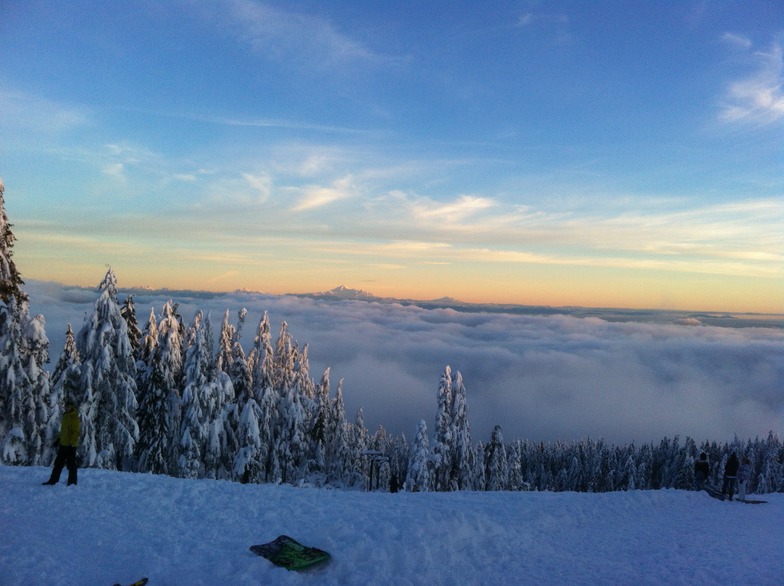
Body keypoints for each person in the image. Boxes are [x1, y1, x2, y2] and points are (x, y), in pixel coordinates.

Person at [42, 399, 81, 486]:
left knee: (71, 465)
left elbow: (76, 432)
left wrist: (71, 443)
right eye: (65, 406)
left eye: (67, 406)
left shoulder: (74, 417)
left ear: (71, 407)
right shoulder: (66, 416)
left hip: (71, 446)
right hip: (63, 445)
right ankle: (53, 481)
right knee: (58, 464)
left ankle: (72, 483)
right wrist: (58, 440)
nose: (65, 408)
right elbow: (63, 431)